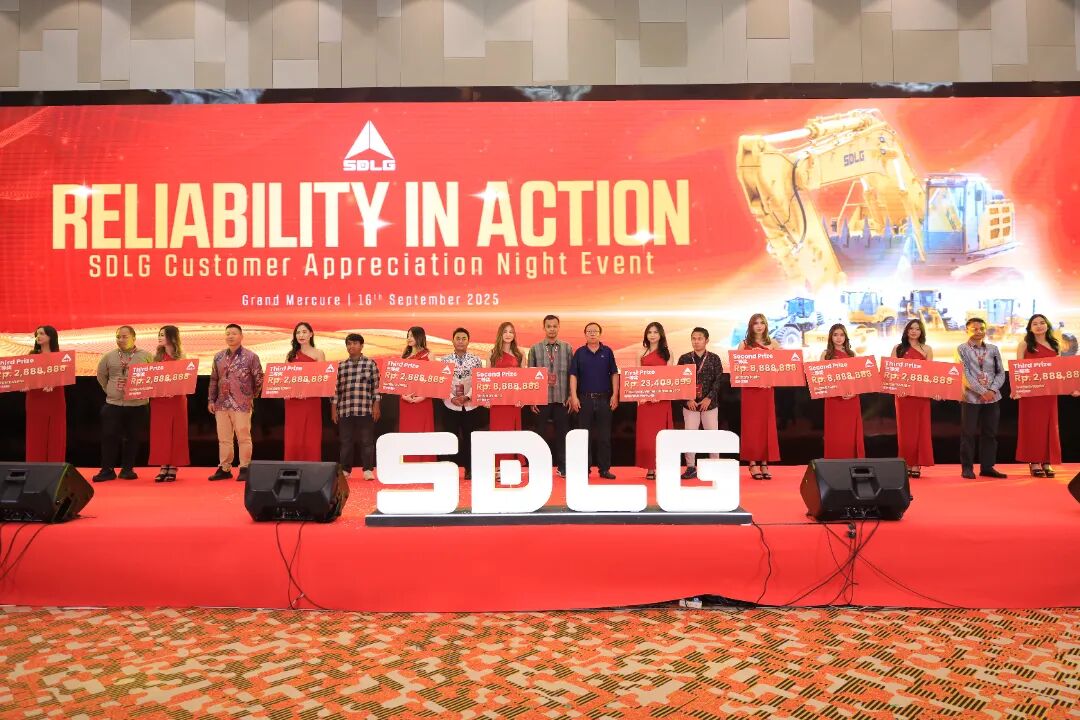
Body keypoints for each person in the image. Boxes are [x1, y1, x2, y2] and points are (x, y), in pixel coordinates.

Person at [1013, 314, 1078, 477]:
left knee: (1049, 426)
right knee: (1032, 427)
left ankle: (1047, 461)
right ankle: (1034, 461)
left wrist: (1072, 388)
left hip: (1049, 394)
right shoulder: (1024, 344)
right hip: (1030, 394)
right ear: (1030, 328)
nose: (1039, 326)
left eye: (1042, 323)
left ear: (1047, 325)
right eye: (1035, 323)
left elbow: (1061, 370)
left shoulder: (1055, 345)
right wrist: (1016, 389)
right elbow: (1018, 369)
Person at [94, 326, 153, 481]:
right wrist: (111, 389)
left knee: (133, 438)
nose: (120, 340)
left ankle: (127, 470)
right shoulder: (109, 356)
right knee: (109, 437)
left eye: (124, 337)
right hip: (113, 404)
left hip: (138, 405)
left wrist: (139, 388)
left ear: (134, 338)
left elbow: (154, 377)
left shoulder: (146, 356)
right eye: (118, 337)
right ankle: (107, 470)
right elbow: (101, 376)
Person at [208, 324, 264, 482]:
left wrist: (250, 396)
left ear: (241, 336)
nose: (230, 336)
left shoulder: (251, 356)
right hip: (221, 403)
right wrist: (211, 399)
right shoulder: (218, 357)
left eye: (234, 333)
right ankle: (224, 468)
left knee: (243, 437)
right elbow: (214, 379)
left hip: (242, 403)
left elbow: (259, 378)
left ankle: (245, 467)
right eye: (227, 334)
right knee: (224, 438)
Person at [955, 317, 1006, 479]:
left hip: (993, 398)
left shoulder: (993, 349)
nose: (979, 331)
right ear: (967, 330)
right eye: (974, 329)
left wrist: (991, 390)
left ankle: (987, 467)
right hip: (970, 398)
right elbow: (964, 374)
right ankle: (967, 468)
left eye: (982, 329)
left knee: (990, 434)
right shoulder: (962, 349)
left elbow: (1001, 373)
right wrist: (982, 391)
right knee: (968, 434)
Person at [568, 322, 620, 479]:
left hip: (605, 399)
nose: (592, 333)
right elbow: (573, 375)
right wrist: (574, 396)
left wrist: (615, 395)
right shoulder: (580, 353)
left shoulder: (607, 351)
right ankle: (584, 469)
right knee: (584, 437)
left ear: (600, 333)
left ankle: (604, 469)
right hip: (585, 399)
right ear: (585, 334)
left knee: (605, 437)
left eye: (595, 331)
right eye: (589, 331)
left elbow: (614, 374)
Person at [528, 314, 574, 477]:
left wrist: (571, 395)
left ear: (558, 327)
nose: (552, 329)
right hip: (542, 399)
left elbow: (572, 374)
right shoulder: (535, 349)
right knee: (540, 434)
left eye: (555, 326)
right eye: (549, 326)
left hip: (562, 398)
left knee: (563, 434)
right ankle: (540, 466)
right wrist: (532, 399)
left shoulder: (567, 348)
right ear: (544, 328)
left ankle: (563, 466)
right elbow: (530, 376)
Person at [331, 333, 381, 480]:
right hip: (345, 409)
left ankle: (368, 469)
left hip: (365, 408)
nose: (351, 346)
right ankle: (345, 469)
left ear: (361, 345)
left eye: (354, 343)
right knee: (346, 442)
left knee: (367, 441)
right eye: (349, 344)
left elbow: (376, 388)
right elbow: (335, 390)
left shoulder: (370, 364)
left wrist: (376, 405)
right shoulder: (341, 366)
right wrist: (333, 409)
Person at [736, 313, 780, 479]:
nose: (759, 326)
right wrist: (750, 356)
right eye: (756, 323)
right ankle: (752, 463)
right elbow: (737, 369)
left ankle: (764, 463)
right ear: (751, 326)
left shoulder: (773, 344)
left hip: (766, 391)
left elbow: (783, 367)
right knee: (751, 426)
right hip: (750, 392)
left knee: (766, 426)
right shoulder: (744, 344)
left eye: (762, 323)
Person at [676, 327, 724, 479]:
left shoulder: (714, 358)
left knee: (712, 435)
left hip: (709, 404)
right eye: (693, 338)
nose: (696, 342)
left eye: (699, 338)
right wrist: (687, 398)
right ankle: (690, 467)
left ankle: (714, 466)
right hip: (690, 405)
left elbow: (719, 380)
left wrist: (709, 398)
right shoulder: (684, 358)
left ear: (706, 340)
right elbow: (678, 380)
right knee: (690, 435)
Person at [892, 319, 936, 477]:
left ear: (921, 332)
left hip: (920, 396)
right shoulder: (898, 349)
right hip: (903, 397)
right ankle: (906, 463)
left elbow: (930, 373)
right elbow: (892, 372)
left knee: (920, 430)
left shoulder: (927, 349)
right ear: (906, 331)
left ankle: (917, 464)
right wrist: (899, 388)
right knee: (905, 432)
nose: (914, 331)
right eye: (911, 328)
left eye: (917, 329)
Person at [440, 328, 485, 479]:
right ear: (453, 341)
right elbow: (442, 382)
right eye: (458, 338)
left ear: (468, 341)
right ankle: (449, 470)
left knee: (470, 439)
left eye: (463, 338)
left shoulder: (476, 360)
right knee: (450, 439)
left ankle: (470, 469)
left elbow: (479, 381)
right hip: (450, 405)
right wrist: (452, 397)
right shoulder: (445, 360)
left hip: (470, 405)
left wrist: (467, 396)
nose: (460, 341)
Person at [148, 325, 190, 482]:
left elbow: (187, 379)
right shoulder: (157, 357)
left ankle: (173, 466)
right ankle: (163, 465)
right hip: (159, 400)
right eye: (159, 334)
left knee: (176, 431)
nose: (159, 337)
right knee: (161, 433)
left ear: (172, 337)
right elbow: (152, 379)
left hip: (177, 399)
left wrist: (175, 389)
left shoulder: (182, 357)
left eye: (163, 335)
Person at [820, 323, 865, 459]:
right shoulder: (826, 355)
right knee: (835, 432)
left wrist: (854, 393)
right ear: (831, 337)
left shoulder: (852, 354)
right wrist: (836, 391)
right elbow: (821, 379)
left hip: (851, 400)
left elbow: (859, 378)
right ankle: (834, 464)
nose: (839, 338)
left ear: (845, 337)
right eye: (835, 335)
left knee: (850, 432)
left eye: (841, 335)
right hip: (833, 400)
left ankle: (852, 463)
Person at [635, 322, 674, 479]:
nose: (652, 335)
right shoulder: (641, 352)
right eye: (649, 332)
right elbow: (637, 377)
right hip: (645, 401)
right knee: (647, 435)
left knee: (662, 434)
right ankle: (650, 468)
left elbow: (670, 378)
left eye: (655, 332)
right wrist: (640, 397)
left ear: (661, 334)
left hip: (662, 401)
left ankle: (663, 466)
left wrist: (661, 395)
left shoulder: (668, 353)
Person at [283, 322, 325, 462]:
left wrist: (307, 389)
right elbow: (285, 378)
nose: (301, 335)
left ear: (311, 334)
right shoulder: (291, 355)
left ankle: (312, 467)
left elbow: (322, 378)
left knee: (311, 433)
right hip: (293, 401)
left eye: (304, 332)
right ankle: (292, 466)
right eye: (298, 332)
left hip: (311, 400)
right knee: (293, 434)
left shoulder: (319, 353)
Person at [488, 322, 525, 479]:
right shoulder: (492, 353)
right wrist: (487, 399)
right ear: (500, 334)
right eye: (505, 331)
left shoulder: (520, 353)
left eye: (511, 332)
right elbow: (487, 378)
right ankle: (497, 468)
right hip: (497, 403)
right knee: (498, 434)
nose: (508, 334)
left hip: (513, 402)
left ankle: (511, 468)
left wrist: (522, 398)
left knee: (512, 434)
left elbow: (524, 378)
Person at [25, 325, 66, 462]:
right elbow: (26, 377)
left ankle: (55, 468)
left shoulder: (61, 356)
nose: (38, 336)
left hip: (55, 397)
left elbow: (65, 376)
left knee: (56, 432)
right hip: (35, 398)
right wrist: (24, 384)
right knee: (35, 432)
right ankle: (34, 466)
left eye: (42, 333)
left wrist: (54, 382)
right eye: (37, 334)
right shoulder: (32, 356)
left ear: (50, 336)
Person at [398, 326, 435, 463]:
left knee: (423, 433)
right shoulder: (404, 357)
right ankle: (409, 462)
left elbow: (435, 379)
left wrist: (423, 397)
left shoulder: (429, 355)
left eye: (412, 336)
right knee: (408, 433)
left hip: (423, 402)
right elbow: (399, 381)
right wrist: (403, 396)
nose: (409, 338)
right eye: (408, 336)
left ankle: (425, 463)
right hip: (406, 402)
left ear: (420, 337)